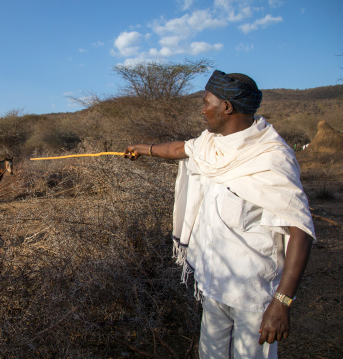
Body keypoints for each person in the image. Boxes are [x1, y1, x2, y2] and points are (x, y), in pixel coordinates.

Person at [123, 70, 316, 359]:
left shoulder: (271, 157)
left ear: (226, 107)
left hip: (254, 294)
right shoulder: (210, 144)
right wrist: (144, 149)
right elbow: (179, 149)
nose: (203, 110)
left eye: (206, 103)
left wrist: (282, 302)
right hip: (214, 281)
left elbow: (300, 230)